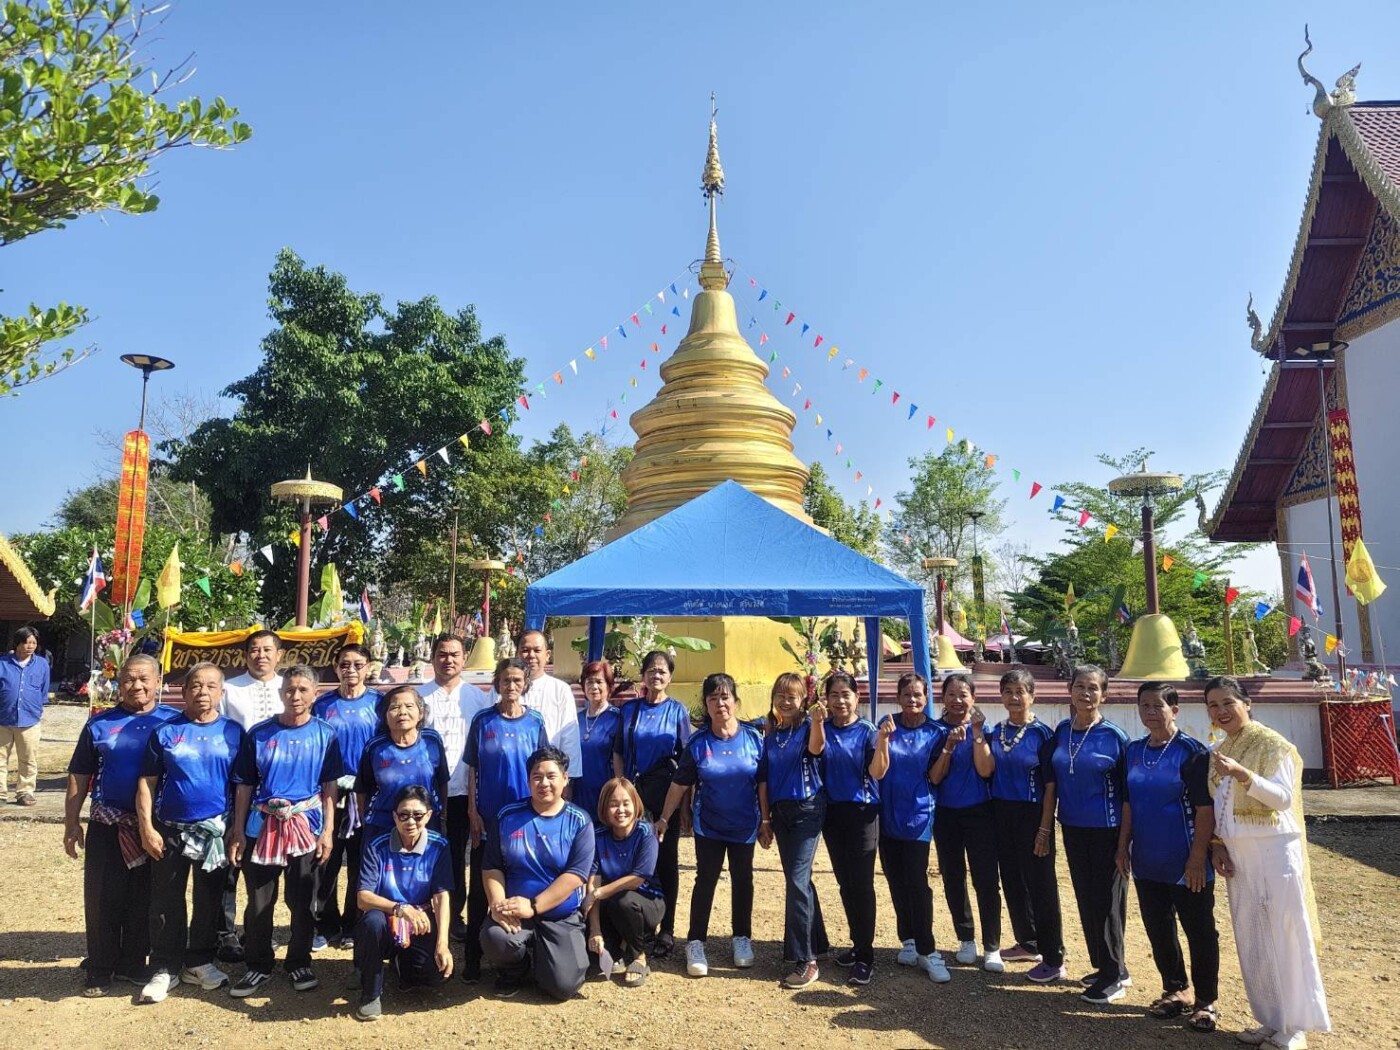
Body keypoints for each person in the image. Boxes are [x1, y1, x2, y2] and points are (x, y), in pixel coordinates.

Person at [1205, 676, 1329, 1050]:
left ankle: (1296, 1027)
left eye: (1228, 702)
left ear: (1247, 704)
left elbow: (1282, 799)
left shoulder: (1274, 745)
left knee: (1286, 933)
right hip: (1239, 854)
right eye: (1213, 705)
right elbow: (1218, 806)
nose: (1221, 711)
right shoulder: (1221, 748)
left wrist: (1244, 774)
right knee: (1253, 937)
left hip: (1276, 849)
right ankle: (1271, 1019)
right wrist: (1217, 844)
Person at [64, 653, 180, 996]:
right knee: (102, 896)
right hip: (109, 823)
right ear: (119, 683)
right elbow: (79, 776)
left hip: (157, 826)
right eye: (129, 679)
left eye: (144, 678)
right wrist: (71, 823)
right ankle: (100, 967)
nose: (137, 686)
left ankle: (132, 963)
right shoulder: (99, 724)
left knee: (145, 896)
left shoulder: (174, 722)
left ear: (158, 682)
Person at [228, 664, 343, 998]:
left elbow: (329, 787)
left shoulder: (325, 734)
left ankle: (299, 961)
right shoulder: (260, 734)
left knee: (303, 899)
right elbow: (245, 785)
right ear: (281, 693)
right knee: (259, 900)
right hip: (261, 827)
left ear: (314, 694)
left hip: (306, 827)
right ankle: (258, 964)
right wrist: (237, 830)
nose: (296, 696)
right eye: (290, 690)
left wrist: (328, 832)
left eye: (303, 690)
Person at [134, 662, 245, 1002]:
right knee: (166, 899)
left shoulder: (234, 733)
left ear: (221, 693)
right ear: (183, 692)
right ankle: (165, 966)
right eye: (195, 686)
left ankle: (199, 961)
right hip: (170, 828)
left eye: (211, 686)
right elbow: (146, 782)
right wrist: (147, 827)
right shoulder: (165, 732)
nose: (203, 692)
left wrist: (237, 829)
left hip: (215, 831)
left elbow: (243, 786)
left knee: (209, 898)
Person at [1116, 682, 1219, 1033]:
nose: (1150, 712)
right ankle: (1176, 989)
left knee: (1200, 931)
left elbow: (1205, 810)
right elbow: (1128, 803)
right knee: (1159, 928)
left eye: (1158, 705)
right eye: (1144, 706)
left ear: (1174, 709)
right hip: (1147, 857)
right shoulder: (1133, 750)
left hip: (1185, 858)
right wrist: (1122, 846)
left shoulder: (1192, 752)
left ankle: (1206, 1001)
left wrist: (1196, 858)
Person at [657, 672, 766, 978]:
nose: (720, 703)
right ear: (706, 704)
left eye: (725, 696)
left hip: (745, 823)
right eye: (713, 698)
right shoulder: (699, 743)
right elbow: (679, 785)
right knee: (706, 880)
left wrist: (767, 820)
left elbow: (763, 783)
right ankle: (695, 941)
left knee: (743, 880)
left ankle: (742, 938)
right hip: (710, 826)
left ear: (735, 700)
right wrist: (665, 818)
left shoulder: (754, 739)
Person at [1038, 663, 1131, 1004]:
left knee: (1108, 903)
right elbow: (1051, 785)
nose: (1086, 693)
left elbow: (1126, 795)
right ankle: (1104, 964)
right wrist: (1046, 829)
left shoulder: (1115, 737)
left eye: (1093, 688)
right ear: (1070, 691)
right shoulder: (1062, 732)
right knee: (1087, 899)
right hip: (1073, 829)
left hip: (1107, 830)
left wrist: (1124, 844)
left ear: (1103, 694)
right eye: (1080, 686)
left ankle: (1115, 974)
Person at [480, 746, 595, 1000]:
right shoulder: (507, 816)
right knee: (495, 937)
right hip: (516, 912)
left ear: (565, 779)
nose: (544, 783)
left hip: (559, 915)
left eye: (551, 776)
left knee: (563, 986)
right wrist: (497, 904)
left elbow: (575, 875)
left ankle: (546, 960)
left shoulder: (580, 821)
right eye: (536, 776)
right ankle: (514, 971)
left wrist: (533, 906)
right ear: (528, 780)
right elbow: (492, 866)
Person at [461, 657, 549, 982]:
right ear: (496, 683)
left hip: (523, 820)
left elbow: (543, 771)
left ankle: (518, 955)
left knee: (519, 885)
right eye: (505, 680)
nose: (511, 686)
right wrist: (472, 810)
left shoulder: (535, 722)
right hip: (488, 819)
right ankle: (472, 957)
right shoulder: (483, 721)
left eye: (517, 681)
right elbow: (473, 769)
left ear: (525, 684)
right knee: (480, 891)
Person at [871, 670, 951, 983]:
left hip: (919, 815)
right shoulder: (887, 725)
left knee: (918, 882)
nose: (913, 700)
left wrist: (948, 749)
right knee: (895, 878)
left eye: (918, 694)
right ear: (898, 697)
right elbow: (878, 769)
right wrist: (884, 738)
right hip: (887, 813)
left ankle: (928, 949)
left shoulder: (936, 732)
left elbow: (935, 777)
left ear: (926, 697)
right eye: (907, 695)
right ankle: (908, 939)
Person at [987, 669, 1065, 983]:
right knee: (1013, 880)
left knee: (1041, 885)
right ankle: (1028, 941)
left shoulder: (1043, 735)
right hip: (1001, 812)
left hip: (1034, 814)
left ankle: (1054, 957)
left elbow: (1051, 786)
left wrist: (1045, 829)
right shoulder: (996, 730)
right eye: (1008, 691)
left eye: (1020, 691)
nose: (1014, 698)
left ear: (1032, 695)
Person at [611, 649, 691, 957]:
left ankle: (667, 928)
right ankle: (637, 925)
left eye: (662, 671)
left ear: (670, 676)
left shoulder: (677, 711)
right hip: (633, 797)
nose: (656, 676)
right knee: (633, 861)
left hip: (665, 796)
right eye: (651, 670)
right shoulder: (630, 710)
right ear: (643, 675)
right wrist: (620, 789)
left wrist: (681, 808)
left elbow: (686, 763)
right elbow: (618, 750)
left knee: (665, 861)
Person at [352, 785, 454, 1021]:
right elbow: (363, 897)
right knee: (372, 921)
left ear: (428, 815)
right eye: (403, 815)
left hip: (420, 923)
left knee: (432, 976)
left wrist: (443, 944)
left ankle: (403, 964)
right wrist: (400, 908)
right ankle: (371, 994)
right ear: (394, 816)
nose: (410, 821)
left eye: (418, 815)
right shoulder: (375, 846)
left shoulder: (439, 846)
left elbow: (441, 896)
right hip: (386, 919)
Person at [216, 629, 285, 963]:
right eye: (254, 650)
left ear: (279, 654)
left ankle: (258, 931)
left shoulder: (288, 688)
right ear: (246, 655)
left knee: (267, 865)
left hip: (279, 791)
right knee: (232, 859)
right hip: (237, 785)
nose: (261, 655)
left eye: (267, 649)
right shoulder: (230, 689)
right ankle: (225, 933)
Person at [418, 632, 491, 944]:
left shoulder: (478, 698)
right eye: (442, 654)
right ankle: (425, 911)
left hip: (464, 792)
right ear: (433, 657)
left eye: (454, 655)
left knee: (458, 854)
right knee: (425, 853)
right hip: (425, 794)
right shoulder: (419, 696)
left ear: (464, 659)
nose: (448, 660)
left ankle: (456, 913)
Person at [929, 673, 1003, 972]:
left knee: (986, 880)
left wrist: (975, 733)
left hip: (980, 812)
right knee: (953, 877)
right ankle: (966, 938)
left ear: (973, 698)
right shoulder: (934, 731)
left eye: (964, 695)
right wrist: (948, 744)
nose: (958, 701)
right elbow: (934, 776)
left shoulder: (986, 731)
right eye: (952, 695)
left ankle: (992, 946)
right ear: (943, 698)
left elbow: (986, 771)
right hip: (945, 813)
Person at [311, 643, 383, 951]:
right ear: (336, 667)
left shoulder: (379, 704)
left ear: (367, 667)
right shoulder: (323, 704)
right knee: (326, 858)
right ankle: (326, 924)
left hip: (367, 794)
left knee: (360, 859)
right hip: (332, 793)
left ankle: (356, 922)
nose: (351, 670)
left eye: (357, 664)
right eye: (345, 664)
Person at [764, 671, 829, 989]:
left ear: (804, 699)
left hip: (807, 810)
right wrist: (765, 819)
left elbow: (817, 750)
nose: (785, 701)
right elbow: (764, 777)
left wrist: (817, 721)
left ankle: (807, 960)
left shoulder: (807, 727)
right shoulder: (772, 732)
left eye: (792, 696)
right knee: (799, 880)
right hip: (781, 814)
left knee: (797, 882)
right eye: (780, 694)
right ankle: (819, 942)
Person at [819, 671, 880, 987]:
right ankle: (857, 945)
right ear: (825, 699)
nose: (840, 700)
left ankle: (866, 955)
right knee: (844, 883)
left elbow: (876, 770)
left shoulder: (867, 731)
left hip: (862, 813)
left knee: (862, 883)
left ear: (857, 698)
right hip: (832, 813)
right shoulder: (822, 730)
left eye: (846, 694)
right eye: (834, 695)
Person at [585, 776, 664, 988]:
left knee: (624, 901)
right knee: (593, 960)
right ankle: (617, 945)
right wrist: (595, 931)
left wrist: (599, 893)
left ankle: (639, 957)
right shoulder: (597, 835)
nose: (620, 810)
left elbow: (638, 878)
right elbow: (593, 885)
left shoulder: (646, 832)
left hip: (647, 902)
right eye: (613, 804)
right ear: (604, 807)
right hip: (611, 905)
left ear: (635, 804)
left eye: (625, 803)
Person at [356, 685, 450, 837]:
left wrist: (442, 814)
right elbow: (362, 788)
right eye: (395, 707)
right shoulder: (375, 747)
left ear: (421, 713)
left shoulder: (432, 741)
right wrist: (366, 820)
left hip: (425, 822)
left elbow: (442, 782)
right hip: (382, 824)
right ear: (385, 716)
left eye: (409, 706)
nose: (402, 712)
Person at [507, 629, 583, 782]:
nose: (531, 656)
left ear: (547, 655)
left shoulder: (560, 689)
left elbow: (570, 738)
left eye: (537, 650)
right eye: (525, 650)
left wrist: (568, 779)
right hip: (511, 772)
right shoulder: (503, 688)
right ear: (517, 654)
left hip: (548, 778)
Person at [0, 625, 50, 806]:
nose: (29, 646)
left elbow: (44, 690)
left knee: (28, 759)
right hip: (2, 720)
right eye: (26, 642)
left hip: (30, 720)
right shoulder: (2, 663)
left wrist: (37, 709)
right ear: (17, 643)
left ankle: (25, 792)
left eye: (33, 643)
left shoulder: (42, 664)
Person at [575, 660, 623, 822]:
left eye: (599, 682)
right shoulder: (575, 719)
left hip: (605, 793)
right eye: (589, 682)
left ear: (609, 686)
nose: (594, 687)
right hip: (578, 793)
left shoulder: (617, 718)